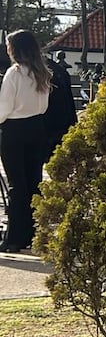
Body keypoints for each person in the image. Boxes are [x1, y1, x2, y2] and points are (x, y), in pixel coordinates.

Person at [0, 30, 51, 253]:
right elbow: (44, 106)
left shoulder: (14, 74)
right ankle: (33, 234)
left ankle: (14, 238)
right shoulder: (42, 73)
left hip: (14, 129)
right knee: (33, 183)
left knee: (16, 185)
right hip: (37, 127)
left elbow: (4, 108)